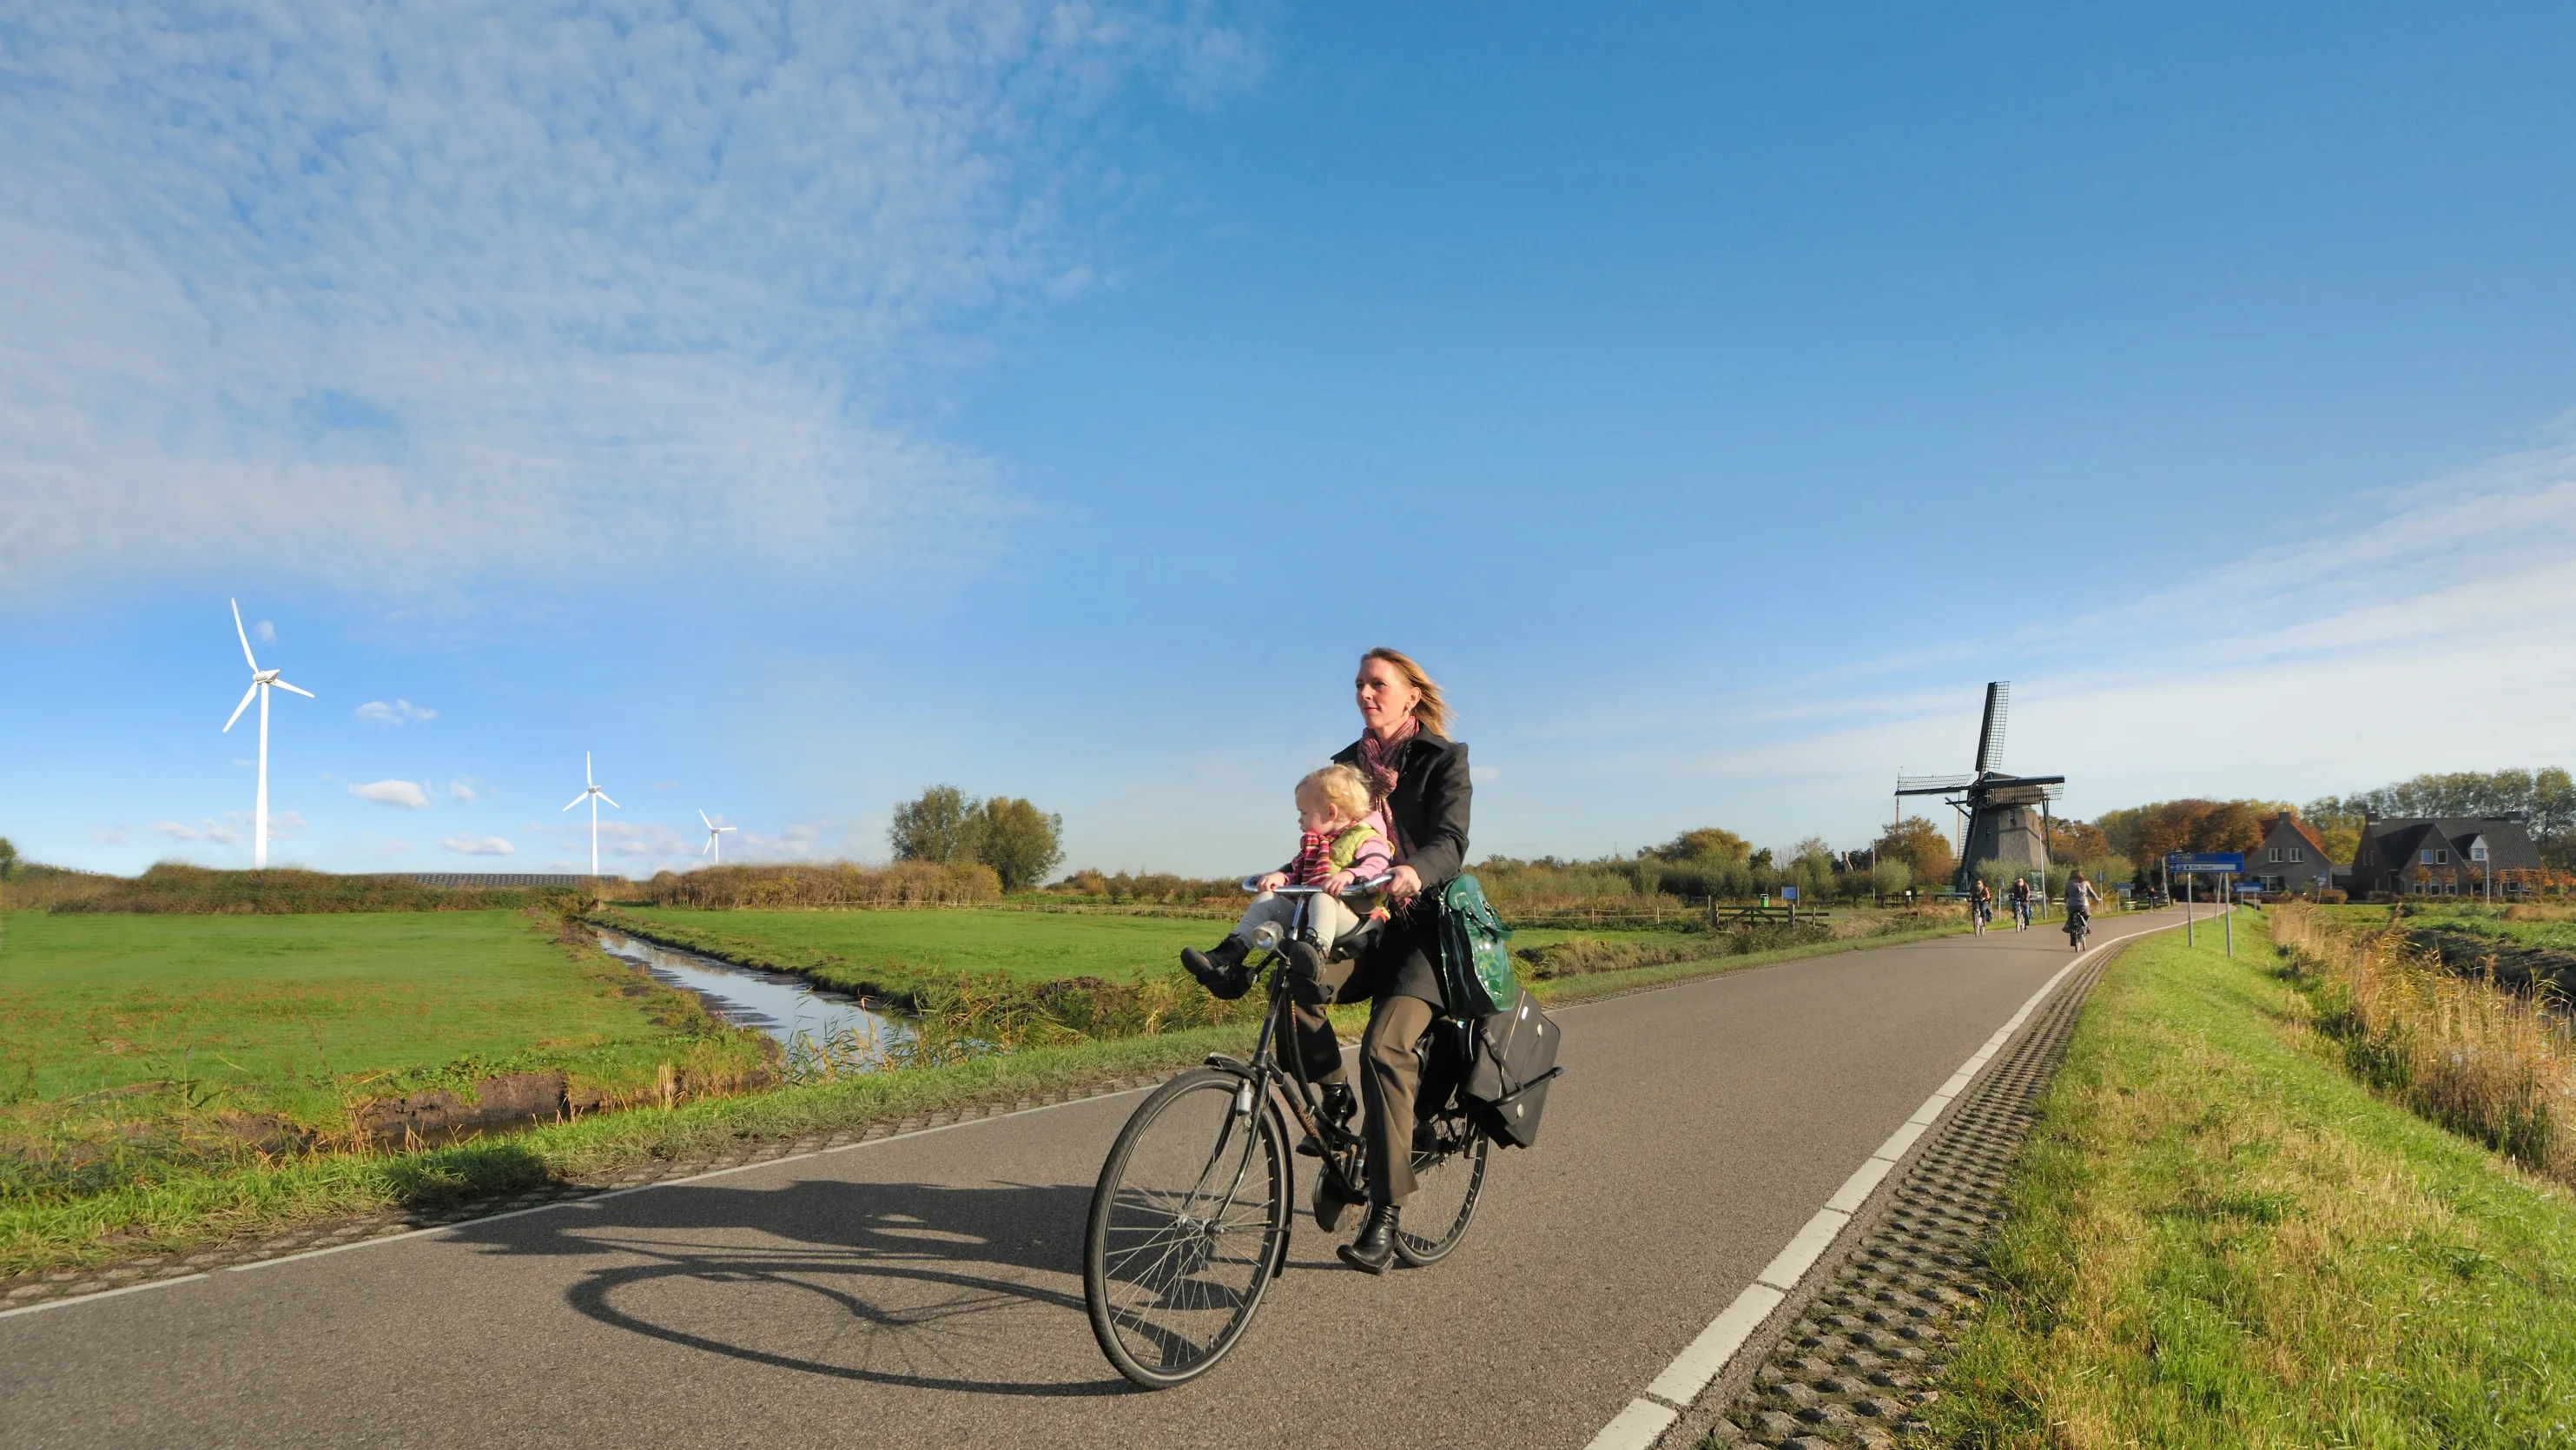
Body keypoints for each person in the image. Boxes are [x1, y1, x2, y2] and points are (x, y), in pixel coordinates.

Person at [1286, 647, 1472, 1275]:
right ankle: (1337, 1109)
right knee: (1295, 987)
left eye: (1377, 683)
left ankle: (1385, 1213)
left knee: (1384, 1049)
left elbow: (1450, 842)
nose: (1365, 692)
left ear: (1409, 695)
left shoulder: (1443, 759)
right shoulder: (1345, 766)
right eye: (1359, 684)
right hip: (1364, 923)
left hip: (1424, 930)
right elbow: (1323, 837)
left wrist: (1413, 872)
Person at [1180, 765, 1393, 997]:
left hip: (1352, 921)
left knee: (1322, 896)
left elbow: (1378, 865)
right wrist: (1280, 877)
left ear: (1331, 812)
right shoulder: (1315, 845)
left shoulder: (1367, 837)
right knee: (1267, 899)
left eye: (1303, 813)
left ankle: (1314, 957)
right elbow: (1298, 873)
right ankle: (1227, 957)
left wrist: (1350, 875)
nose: (1299, 821)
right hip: (1309, 915)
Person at [2064, 870, 2100, 946]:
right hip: (2083, 904)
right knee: (2087, 916)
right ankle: (2085, 928)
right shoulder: (2085, 883)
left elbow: (2066, 894)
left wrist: (2066, 901)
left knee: (2071, 917)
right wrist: (2097, 900)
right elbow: (2091, 893)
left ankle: (2071, 932)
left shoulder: (2068, 884)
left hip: (2071, 904)